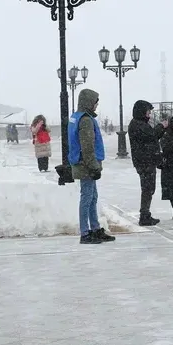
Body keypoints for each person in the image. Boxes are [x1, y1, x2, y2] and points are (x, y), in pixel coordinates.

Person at [69, 89, 114, 245]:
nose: (97, 105)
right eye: (95, 102)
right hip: (86, 165)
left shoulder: (79, 118)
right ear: (88, 102)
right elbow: (87, 146)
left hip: (83, 163)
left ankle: (94, 229)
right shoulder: (86, 121)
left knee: (92, 197)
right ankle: (85, 232)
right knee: (87, 198)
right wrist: (94, 166)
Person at [128, 100, 164, 226]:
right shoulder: (138, 125)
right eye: (148, 112)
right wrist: (161, 126)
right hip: (145, 162)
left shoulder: (139, 124)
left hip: (145, 161)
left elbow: (151, 137)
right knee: (147, 188)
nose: (149, 115)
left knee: (148, 188)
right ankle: (144, 215)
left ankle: (145, 214)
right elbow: (152, 135)